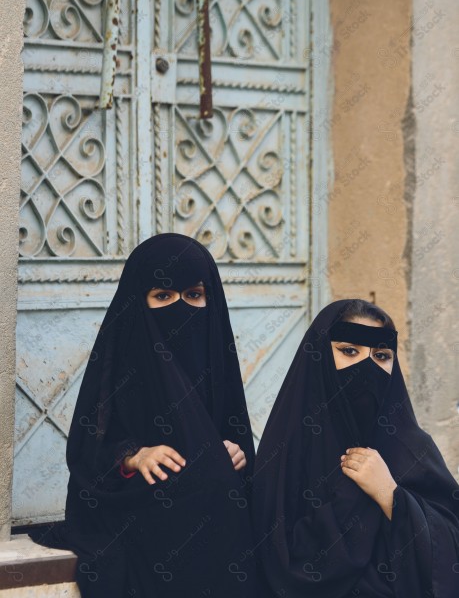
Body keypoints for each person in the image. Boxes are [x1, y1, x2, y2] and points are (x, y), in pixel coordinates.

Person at [29, 233, 257, 598]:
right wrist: (134, 456)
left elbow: (238, 438)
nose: (180, 307)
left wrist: (239, 452)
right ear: (139, 300)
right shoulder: (122, 361)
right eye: (163, 296)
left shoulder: (215, 359)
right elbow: (88, 456)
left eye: (194, 296)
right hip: (135, 506)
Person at [252, 298, 459, 597]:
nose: (368, 366)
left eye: (382, 355)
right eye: (349, 351)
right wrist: (350, 502)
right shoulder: (286, 447)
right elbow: (272, 554)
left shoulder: (412, 448)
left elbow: (450, 548)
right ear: (320, 355)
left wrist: (390, 495)